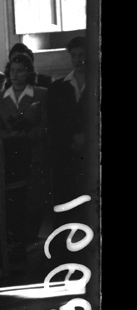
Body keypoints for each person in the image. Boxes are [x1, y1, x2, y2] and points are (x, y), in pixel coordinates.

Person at [0, 52, 49, 243]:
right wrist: (11, 137)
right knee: (14, 202)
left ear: (28, 73)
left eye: (21, 70)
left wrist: (28, 136)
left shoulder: (41, 94)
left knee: (34, 201)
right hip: (11, 158)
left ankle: (32, 241)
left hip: (34, 155)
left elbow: (47, 126)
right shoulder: (0, 97)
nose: (16, 74)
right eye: (13, 70)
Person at [45, 35, 93, 206]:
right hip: (65, 156)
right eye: (74, 55)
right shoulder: (58, 87)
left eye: (82, 55)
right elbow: (52, 122)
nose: (79, 60)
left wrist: (87, 138)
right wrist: (71, 140)